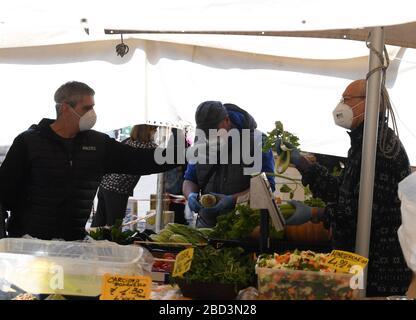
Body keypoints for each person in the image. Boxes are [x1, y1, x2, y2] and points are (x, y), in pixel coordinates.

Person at [281, 79, 412, 297]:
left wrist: (316, 213)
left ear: (367, 103)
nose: (340, 105)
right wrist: (305, 165)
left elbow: (363, 213)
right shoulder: (363, 144)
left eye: (346, 99)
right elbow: (341, 191)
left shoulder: (380, 149)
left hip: (378, 268)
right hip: (360, 259)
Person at [0, 81, 178, 241]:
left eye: (93, 107)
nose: (92, 114)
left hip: (72, 242)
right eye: (86, 108)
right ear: (64, 108)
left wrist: (183, 155)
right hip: (27, 241)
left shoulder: (98, 144)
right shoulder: (28, 142)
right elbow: (4, 193)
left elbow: (139, 159)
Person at [183, 101, 275, 228]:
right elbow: (190, 179)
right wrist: (191, 196)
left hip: (245, 227)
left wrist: (233, 200)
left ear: (227, 120)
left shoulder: (258, 141)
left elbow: (266, 187)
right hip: (206, 228)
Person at [91, 124, 158, 227]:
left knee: (99, 222)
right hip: (118, 190)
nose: (155, 132)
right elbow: (165, 157)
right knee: (114, 226)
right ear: (148, 131)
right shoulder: (148, 146)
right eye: (154, 129)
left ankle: (93, 242)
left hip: (105, 185)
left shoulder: (128, 141)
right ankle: (109, 243)